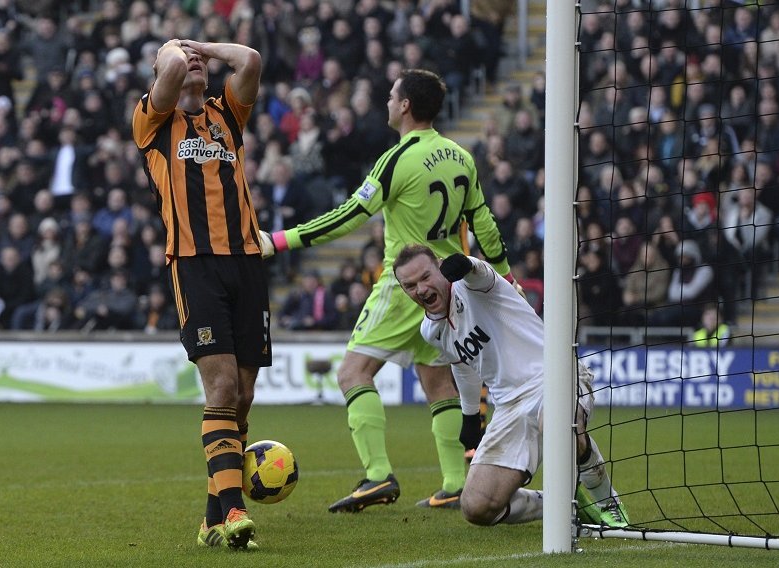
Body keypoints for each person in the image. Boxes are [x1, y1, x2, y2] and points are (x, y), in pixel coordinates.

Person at [260, 69, 518, 512]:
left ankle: (377, 476)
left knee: (352, 374)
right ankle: (456, 481)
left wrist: (282, 239)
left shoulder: (397, 159)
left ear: (405, 106)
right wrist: (506, 278)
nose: (386, 101)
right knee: (438, 384)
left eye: (391, 95)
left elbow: (348, 216)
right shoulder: (461, 155)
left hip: (406, 284)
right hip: (450, 290)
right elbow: (484, 225)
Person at [132, 38, 269, 550]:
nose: (189, 61)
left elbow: (250, 60)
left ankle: (213, 517)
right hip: (195, 266)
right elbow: (167, 69)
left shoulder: (227, 114)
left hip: (248, 263)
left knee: (245, 395)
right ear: (159, 71)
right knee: (222, 390)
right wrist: (177, 53)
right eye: (177, 57)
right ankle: (235, 511)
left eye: (197, 59)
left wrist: (201, 46)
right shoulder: (153, 120)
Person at [392, 245, 629, 528]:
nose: (420, 288)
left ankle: (607, 503)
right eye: (410, 285)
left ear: (441, 266)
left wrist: (464, 263)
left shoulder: (474, 288)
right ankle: (563, 506)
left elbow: (481, 272)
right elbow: (464, 366)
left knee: (555, 423)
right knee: (476, 506)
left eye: (425, 277)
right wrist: (470, 417)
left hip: (556, 375)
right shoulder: (430, 330)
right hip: (509, 407)